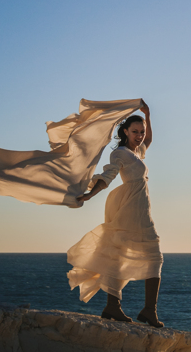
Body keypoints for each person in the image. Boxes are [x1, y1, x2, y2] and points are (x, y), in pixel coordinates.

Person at [67, 100, 164, 326]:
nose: (140, 136)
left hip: (140, 206)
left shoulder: (137, 151)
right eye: (135, 132)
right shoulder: (120, 153)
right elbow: (108, 177)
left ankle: (118, 306)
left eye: (141, 132)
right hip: (131, 207)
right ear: (125, 132)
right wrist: (90, 195)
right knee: (152, 256)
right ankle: (143, 310)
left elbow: (149, 140)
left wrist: (148, 115)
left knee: (121, 255)